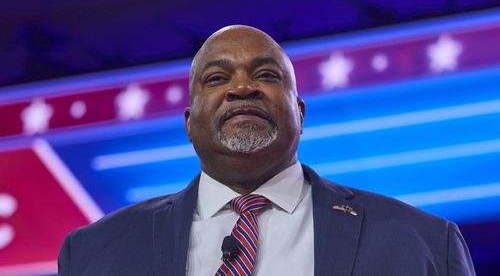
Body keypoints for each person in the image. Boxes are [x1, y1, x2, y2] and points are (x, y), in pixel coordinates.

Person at [58, 25, 475, 276]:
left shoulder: (423, 243)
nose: (242, 88)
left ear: (299, 112)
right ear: (188, 122)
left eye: (265, 74)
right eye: (217, 78)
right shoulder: (96, 253)